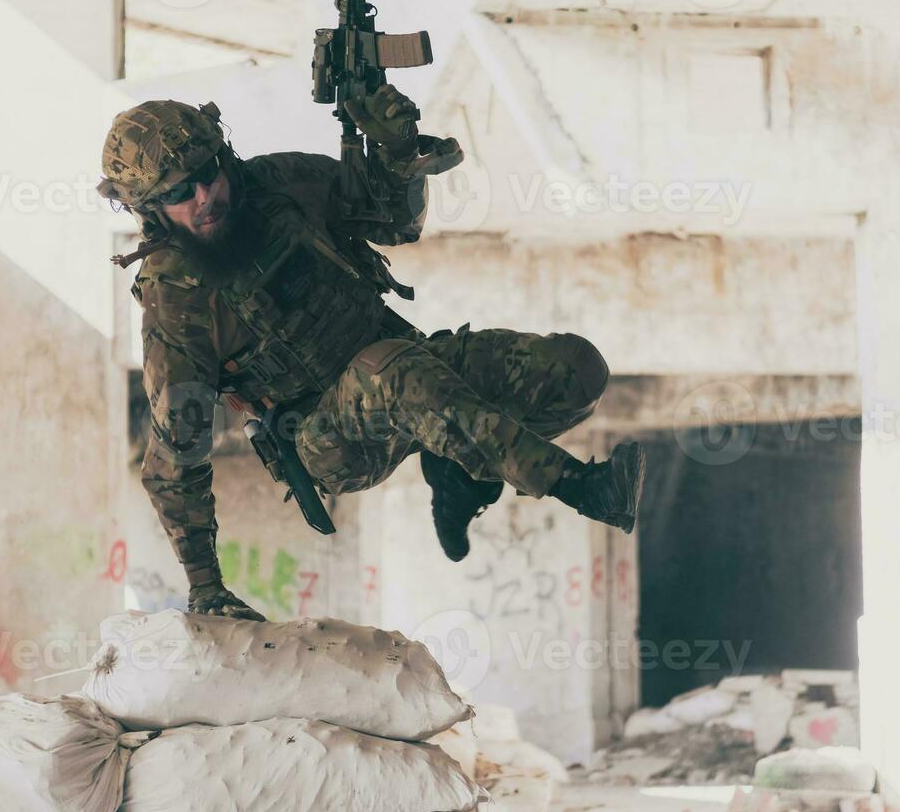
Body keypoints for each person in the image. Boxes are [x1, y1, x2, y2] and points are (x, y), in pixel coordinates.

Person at [97, 89, 644, 621]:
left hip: (412, 374)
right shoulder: (177, 298)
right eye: (178, 194)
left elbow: (396, 225)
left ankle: (455, 471)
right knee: (390, 369)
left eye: (209, 172)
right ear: (151, 210)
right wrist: (207, 589)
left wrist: (397, 159)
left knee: (574, 370)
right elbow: (174, 460)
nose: (204, 197)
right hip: (327, 442)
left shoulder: (280, 185)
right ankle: (582, 489)